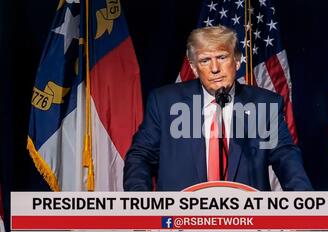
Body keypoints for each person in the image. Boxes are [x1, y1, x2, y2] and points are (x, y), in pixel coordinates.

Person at [124, 25, 312, 192]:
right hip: (179, 222)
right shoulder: (165, 102)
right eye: (205, 60)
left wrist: (304, 207)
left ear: (237, 61)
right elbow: (140, 156)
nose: (215, 68)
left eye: (222, 57)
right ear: (194, 67)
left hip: (247, 222)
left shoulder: (264, 105)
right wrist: (142, 206)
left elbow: (286, 159)